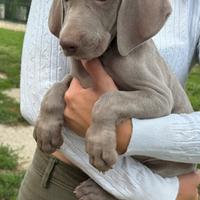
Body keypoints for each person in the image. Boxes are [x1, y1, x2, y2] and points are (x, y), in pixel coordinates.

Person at [18, 0, 200, 199]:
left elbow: (161, 101)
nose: (66, 36)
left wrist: (142, 189)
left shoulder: (137, 58)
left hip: (163, 168)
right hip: (61, 176)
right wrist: (54, 98)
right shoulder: (84, 47)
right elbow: (68, 87)